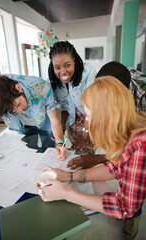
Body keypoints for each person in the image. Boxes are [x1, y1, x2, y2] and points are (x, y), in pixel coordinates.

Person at [37, 76, 146, 239]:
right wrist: (69, 176)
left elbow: (124, 207)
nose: (85, 124)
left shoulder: (139, 146)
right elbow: (116, 168)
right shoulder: (130, 128)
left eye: (87, 116)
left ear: (105, 117)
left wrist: (66, 193)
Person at [67, 61, 146, 170]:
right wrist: (85, 135)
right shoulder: (113, 74)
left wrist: (97, 159)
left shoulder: (138, 146)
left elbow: (128, 152)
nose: (90, 121)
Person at [0, 74, 68, 160]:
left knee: (50, 150)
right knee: (30, 154)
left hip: (44, 122)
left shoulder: (42, 88)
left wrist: (59, 143)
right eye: (12, 111)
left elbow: (54, 119)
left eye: (18, 104)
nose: (20, 111)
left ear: (18, 88)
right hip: (23, 125)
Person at [48, 41, 97, 154]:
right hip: (73, 125)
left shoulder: (87, 71)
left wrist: (85, 136)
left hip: (91, 122)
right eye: (57, 67)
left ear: (74, 61)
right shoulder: (55, 84)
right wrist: (62, 128)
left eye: (67, 65)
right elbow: (65, 109)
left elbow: (91, 107)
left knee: (88, 154)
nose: (63, 72)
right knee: (77, 155)